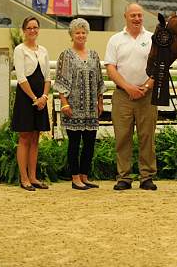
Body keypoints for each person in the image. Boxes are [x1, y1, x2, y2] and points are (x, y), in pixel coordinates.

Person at [105, 3, 158, 191]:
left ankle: (147, 176)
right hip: (122, 95)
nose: (137, 18)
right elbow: (110, 67)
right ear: (125, 16)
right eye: (133, 15)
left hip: (147, 95)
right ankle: (124, 177)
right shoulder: (115, 40)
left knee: (147, 137)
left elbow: (159, 66)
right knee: (122, 137)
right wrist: (128, 88)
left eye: (139, 15)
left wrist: (146, 86)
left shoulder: (152, 39)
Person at [54, 18, 106, 190]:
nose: (81, 35)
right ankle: (75, 178)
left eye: (83, 32)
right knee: (74, 144)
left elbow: (99, 80)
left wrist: (100, 102)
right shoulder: (66, 55)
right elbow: (60, 80)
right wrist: (64, 103)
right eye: (77, 32)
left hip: (91, 108)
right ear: (72, 35)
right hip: (73, 107)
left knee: (90, 144)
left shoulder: (94, 55)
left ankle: (85, 176)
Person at [11, 16, 51, 191]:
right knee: (25, 137)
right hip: (26, 98)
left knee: (36, 137)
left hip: (41, 98)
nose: (32, 30)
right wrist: (34, 98)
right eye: (29, 28)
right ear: (24, 30)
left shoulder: (43, 50)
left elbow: (48, 77)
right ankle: (24, 178)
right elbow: (21, 78)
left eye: (35, 27)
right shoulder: (20, 50)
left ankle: (34, 177)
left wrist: (43, 97)